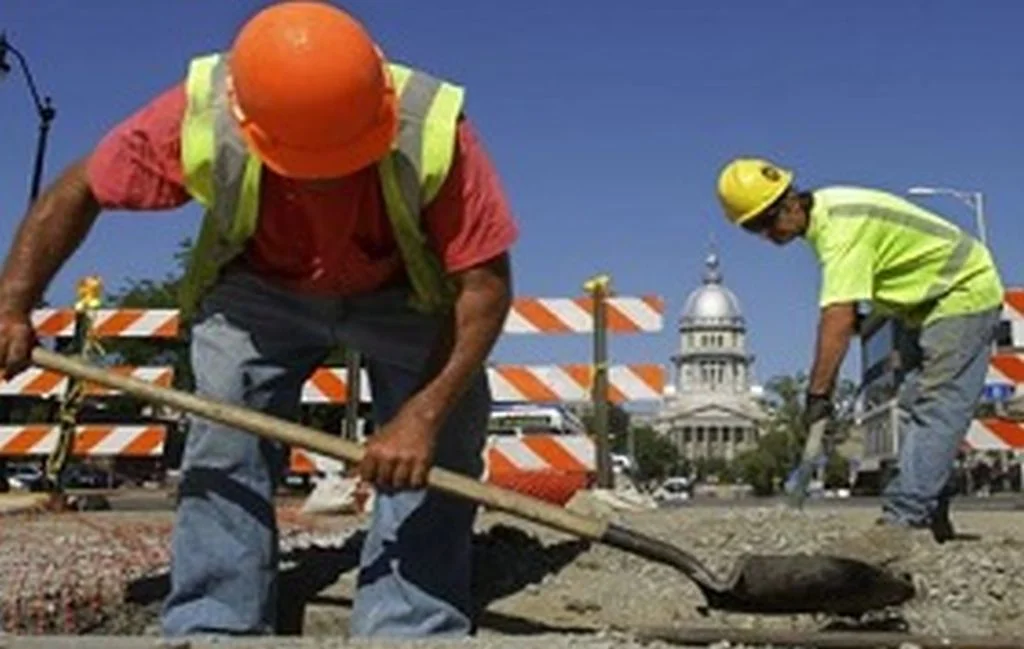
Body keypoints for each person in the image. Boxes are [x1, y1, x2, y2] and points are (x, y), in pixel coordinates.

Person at [0, 1, 518, 638]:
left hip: (400, 292)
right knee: (226, 437)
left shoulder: (431, 127)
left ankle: (410, 624)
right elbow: (76, 189)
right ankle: (217, 622)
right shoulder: (200, 115)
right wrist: (12, 306)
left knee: (441, 441)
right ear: (252, 127)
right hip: (260, 290)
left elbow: (486, 287)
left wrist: (422, 414)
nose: (328, 182)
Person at [716, 157, 1003, 546]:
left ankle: (902, 520)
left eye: (766, 224)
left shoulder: (841, 229)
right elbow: (864, 293)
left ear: (790, 203)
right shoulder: (826, 218)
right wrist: (862, 325)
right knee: (917, 404)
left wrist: (818, 394)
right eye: (754, 230)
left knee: (939, 406)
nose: (767, 236)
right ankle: (932, 507)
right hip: (919, 303)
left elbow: (835, 318)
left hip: (962, 292)